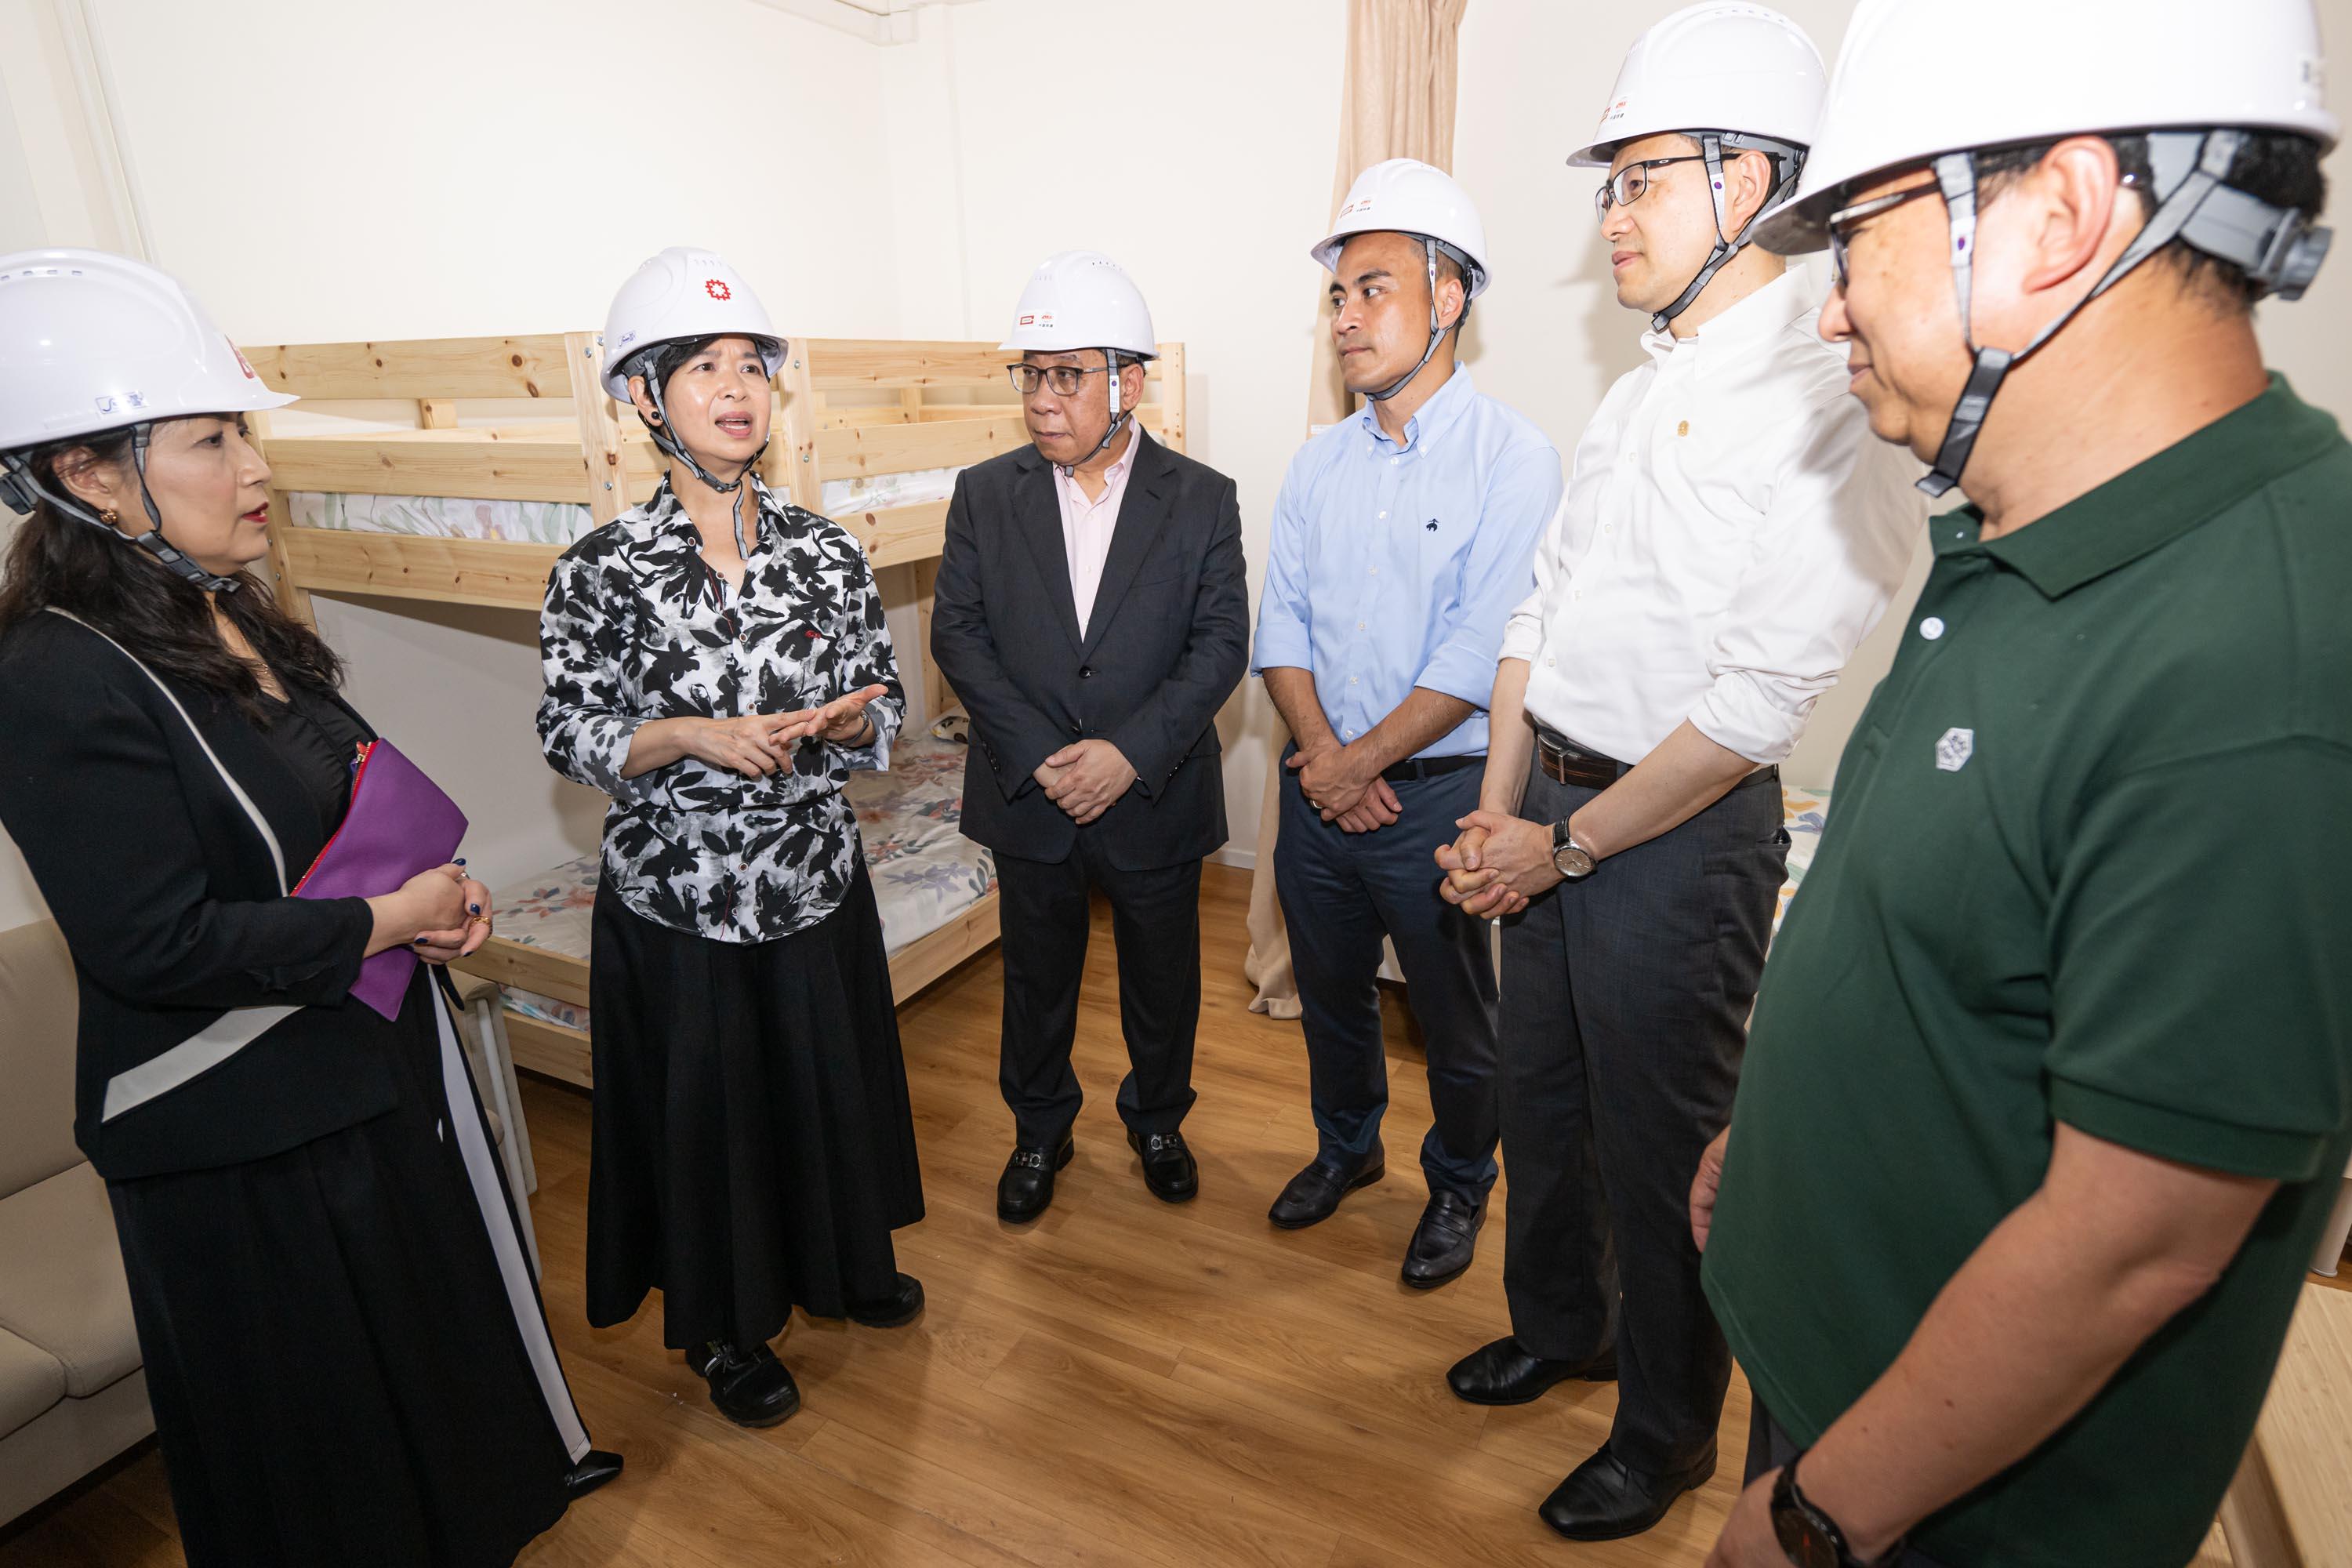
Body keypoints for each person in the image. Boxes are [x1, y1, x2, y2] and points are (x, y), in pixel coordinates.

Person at [1689, 2, 2350, 1564]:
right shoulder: (2020, 531)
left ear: (2057, 215)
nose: (1830, 310)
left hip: (1938, 1503)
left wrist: (1811, 1522)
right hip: (1842, 1387)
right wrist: (1774, 1131)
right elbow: (1931, 923)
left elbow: (2132, 1245)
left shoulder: (2264, 664)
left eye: (1855, 239)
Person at [0, 248, 615, 1567]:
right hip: (238, 1130)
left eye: (247, 434)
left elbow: (334, 802)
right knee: (325, 1442)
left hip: (355, 1065)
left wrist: (431, 902)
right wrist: (387, 922)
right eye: (214, 440)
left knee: (420, 1374)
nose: (257, 467)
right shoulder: (56, 678)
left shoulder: (230, 612)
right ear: (87, 475)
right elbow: (153, 945)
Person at [1431, 5, 1921, 1542]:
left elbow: (1760, 698)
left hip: (1674, 835)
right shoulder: (1645, 387)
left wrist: (1562, 853)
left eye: (1644, 176)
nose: (1615, 213)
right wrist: (1503, 808)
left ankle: (1665, 1434)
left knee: (1660, 1151)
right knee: (1543, 1102)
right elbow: (1541, 605)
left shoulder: (1832, 395)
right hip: (1553, 811)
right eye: (1613, 182)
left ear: (1755, 180)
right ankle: (1560, 1323)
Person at [538, 247, 923, 1430]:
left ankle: (843, 1263)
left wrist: (847, 722)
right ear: (645, 397)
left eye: (750, 364)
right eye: (703, 366)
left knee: (823, 1089)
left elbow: (889, 704)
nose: (736, 386)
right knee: (712, 1121)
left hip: (811, 877)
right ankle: (722, 1330)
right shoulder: (599, 570)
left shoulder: (829, 548)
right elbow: (569, 727)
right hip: (679, 898)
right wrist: (693, 735)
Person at [1254, 159, 1562, 1287]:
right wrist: (1329, 764)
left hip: (1437, 797)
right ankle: (1348, 1153)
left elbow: (1481, 654)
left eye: (1371, 289)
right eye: (1336, 295)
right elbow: (1278, 626)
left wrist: (1358, 764)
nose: (1345, 317)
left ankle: (1460, 1187)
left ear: (1450, 298)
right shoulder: (1317, 464)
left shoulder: (1514, 458)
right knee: (1329, 996)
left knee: (1454, 1023)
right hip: (1323, 786)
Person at [931, 251, 1248, 1221]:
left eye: (1065, 374)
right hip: (1031, 792)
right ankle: (1040, 1129)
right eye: (1031, 374)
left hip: (1152, 790)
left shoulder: (1201, 496)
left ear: (1129, 382)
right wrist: (1040, 753)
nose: (1041, 399)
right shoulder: (986, 493)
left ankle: (1158, 1118)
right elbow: (958, 633)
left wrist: (1127, 753)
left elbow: (1221, 642)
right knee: (1036, 979)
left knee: (1163, 977)